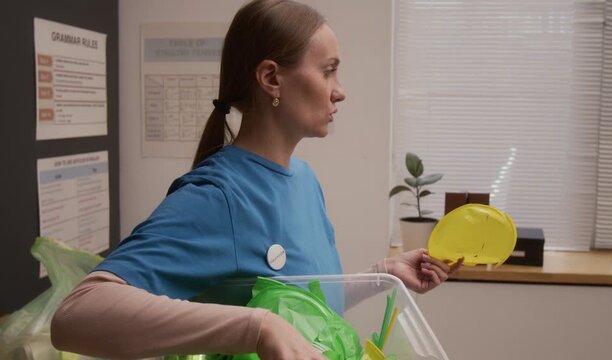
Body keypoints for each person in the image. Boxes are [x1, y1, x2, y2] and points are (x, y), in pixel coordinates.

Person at [51, 0, 462, 359]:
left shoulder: (303, 180)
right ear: (271, 79)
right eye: (328, 71)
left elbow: (307, 305)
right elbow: (77, 316)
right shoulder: (219, 197)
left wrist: (383, 274)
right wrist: (257, 328)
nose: (340, 92)